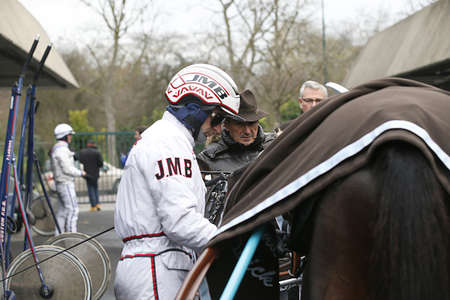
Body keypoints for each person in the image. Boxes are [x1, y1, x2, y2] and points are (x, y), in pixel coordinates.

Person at [114, 64, 241, 300]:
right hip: (157, 268)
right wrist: (230, 240)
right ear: (194, 110)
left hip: (155, 264)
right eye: (217, 118)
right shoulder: (169, 144)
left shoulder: (166, 139)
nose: (217, 129)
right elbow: (180, 221)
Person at [197, 89, 275, 173]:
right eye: (240, 124)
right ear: (226, 124)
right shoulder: (207, 159)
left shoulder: (276, 144)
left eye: (251, 123)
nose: (247, 131)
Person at [50, 123, 85, 234]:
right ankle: (71, 239)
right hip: (65, 183)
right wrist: (81, 173)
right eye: (70, 135)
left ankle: (58, 236)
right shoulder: (61, 150)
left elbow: (65, 158)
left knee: (62, 211)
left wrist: (73, 155)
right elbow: (67, 169)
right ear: (65, 136)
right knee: (73, 210)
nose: (71, 137)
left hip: (61, 183)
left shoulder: (60, 148)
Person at [78, 140, 104, 212]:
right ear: (93, 144)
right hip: (95, 173)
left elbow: (80, 161)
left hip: (87, 173)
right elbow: (101, 164)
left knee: (90, 189)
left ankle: (93, 205)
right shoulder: (97, 152)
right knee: (95, 188)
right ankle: (97, 204)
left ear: (87, 144)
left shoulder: (82, 152)